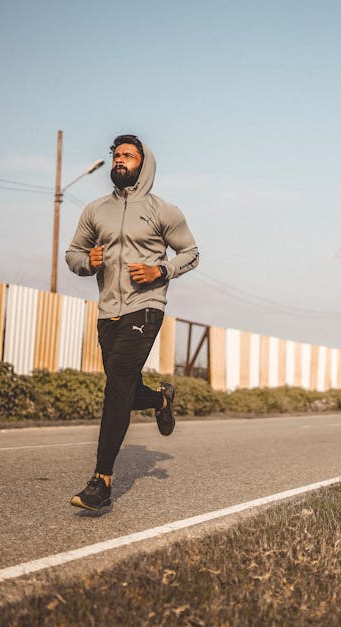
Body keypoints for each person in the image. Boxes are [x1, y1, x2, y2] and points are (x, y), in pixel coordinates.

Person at [65, 134, 199, 510]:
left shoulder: (163, 211)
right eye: (116, 155)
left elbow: (191, 253)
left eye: (128, 155)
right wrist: (86, 262)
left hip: (147, 305)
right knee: (121, 385)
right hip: (109, 310)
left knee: (119, 381)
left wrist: (160, 270)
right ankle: (159, 399)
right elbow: (73, 253)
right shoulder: (94, 210)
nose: (119, 160)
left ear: (144, 163)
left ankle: (101, 480)